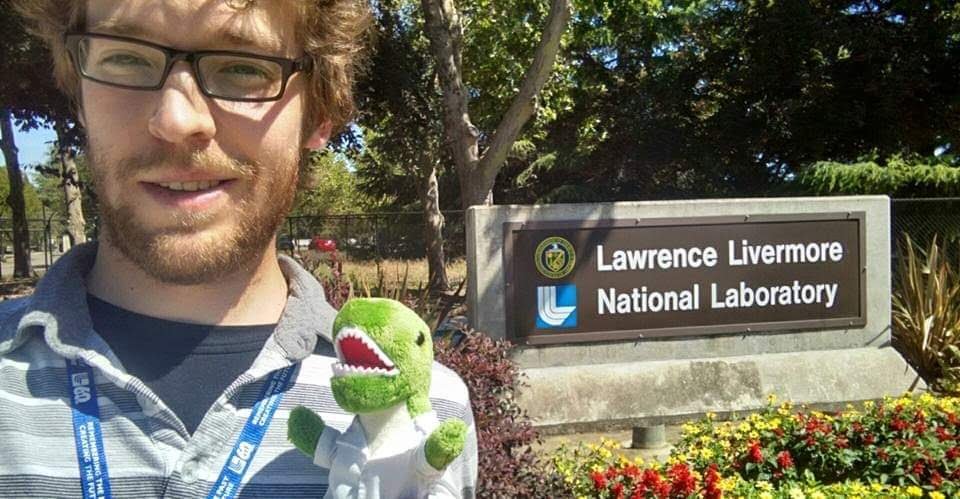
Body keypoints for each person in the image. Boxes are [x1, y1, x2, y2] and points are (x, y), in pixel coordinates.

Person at [0, 1, 477, 497]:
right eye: (126, 58)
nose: (176, 119)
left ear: (321, 112)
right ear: (78, 92)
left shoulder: (430, 414)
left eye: (243, 67)